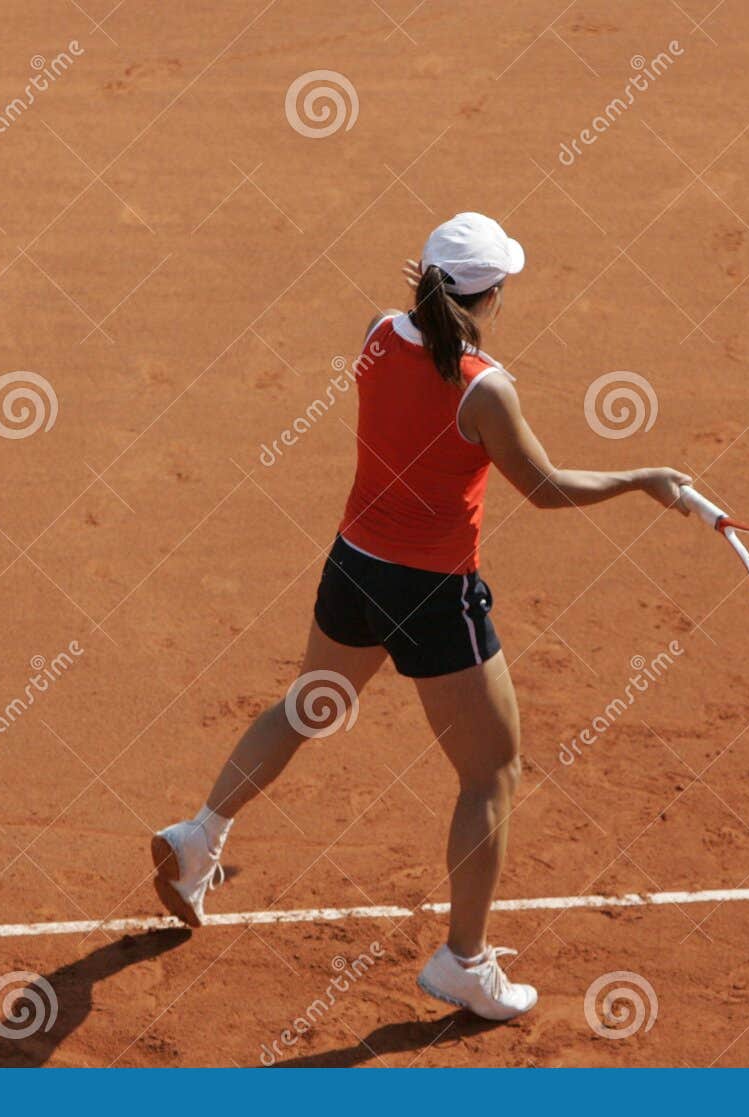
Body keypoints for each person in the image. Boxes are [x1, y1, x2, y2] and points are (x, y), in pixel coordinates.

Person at [153, 212, 690, 1020]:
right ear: (492, 293)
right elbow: (543, 488)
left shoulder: (376, 333)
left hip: (354, 569)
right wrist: (641, 477)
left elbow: (412, 358)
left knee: (307, 707)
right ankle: (463, 963)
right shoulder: (485, 387)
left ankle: (200, 836)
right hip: (435, 596)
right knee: (491, 772)